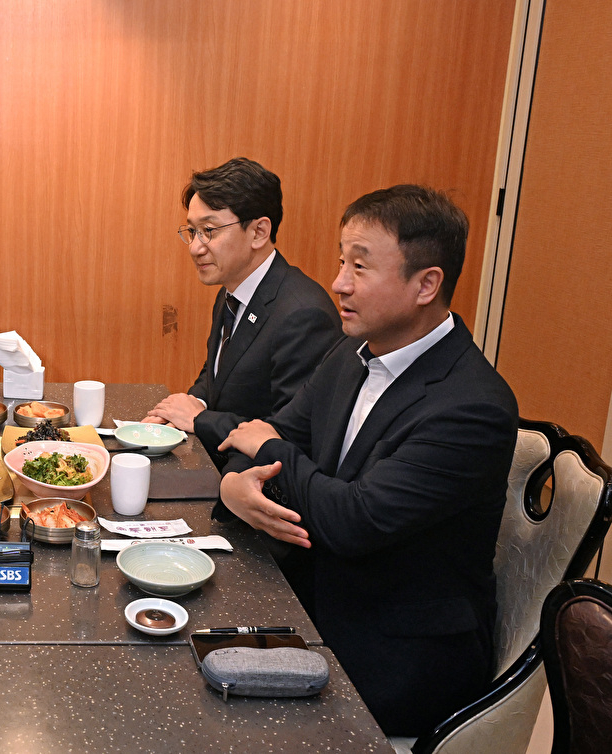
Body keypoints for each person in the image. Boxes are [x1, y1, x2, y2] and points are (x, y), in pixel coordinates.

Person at [216, 185, 518, 735]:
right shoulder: (352, 354)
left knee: (213, 715)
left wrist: (269, 452)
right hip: (317, 595)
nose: (338, 284)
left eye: (361, 266)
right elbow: (269, 434)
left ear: (427, 284)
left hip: (399, 652)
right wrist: (236, 486)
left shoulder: (473, 405)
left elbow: (356, 519)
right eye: (340, 260)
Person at [144, 157, 340, 465]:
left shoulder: (303, 315)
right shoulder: (232, 289)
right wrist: (188, 403)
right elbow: (218, 374)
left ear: (259, 232)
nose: (196, 247)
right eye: (192, 231)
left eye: (209, 230)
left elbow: (291, 435)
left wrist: (199, 419)